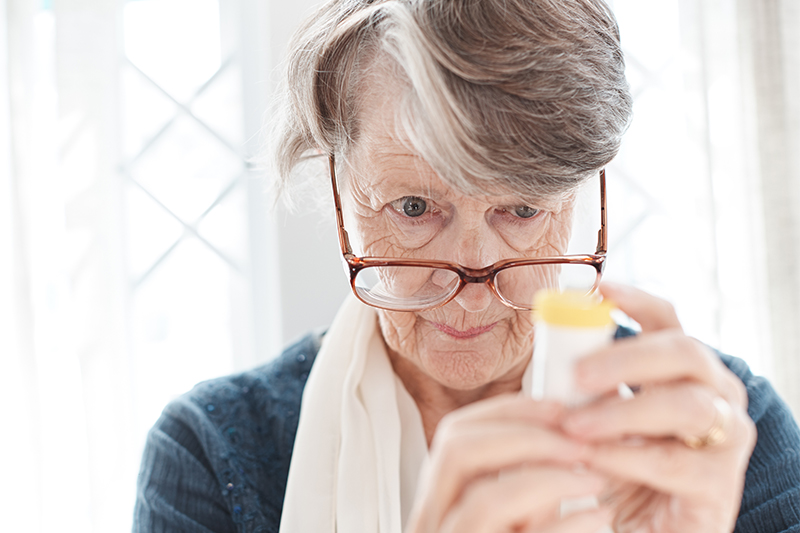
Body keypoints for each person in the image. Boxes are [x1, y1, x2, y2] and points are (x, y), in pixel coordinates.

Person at [133, 0, 800, 532]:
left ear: (580, 198)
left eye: (520, 208)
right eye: (415, 205)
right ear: (341, 194)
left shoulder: (722, 438)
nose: (474, 283)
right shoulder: (208, 457)